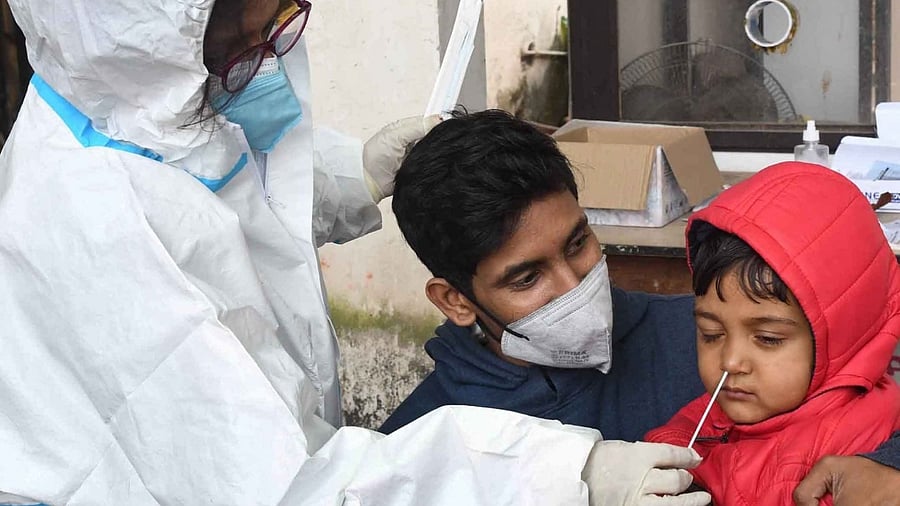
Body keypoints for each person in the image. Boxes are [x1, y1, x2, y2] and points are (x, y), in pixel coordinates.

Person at [0, 1, 711, 505]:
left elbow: (238, 193)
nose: (266, 46)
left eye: (278, 18)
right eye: (525, 276)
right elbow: (285, 487)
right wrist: (571, 476)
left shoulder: (148, 116)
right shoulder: (96, 228)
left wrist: (357, 179)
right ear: (454, 298)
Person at [384, 110, 900, 504]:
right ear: (455, 300)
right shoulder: (423, 443)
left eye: (577, 243)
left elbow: (864, 387)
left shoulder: (700, 333)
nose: (574, 285)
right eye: (528, 277)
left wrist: (887, 470)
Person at [645, 161, 900, 504]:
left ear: (841, 337)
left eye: (768, 339)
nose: (731, 362)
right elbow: (681, 437)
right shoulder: (717, 410)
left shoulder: (856, 461)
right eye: (710, 333)